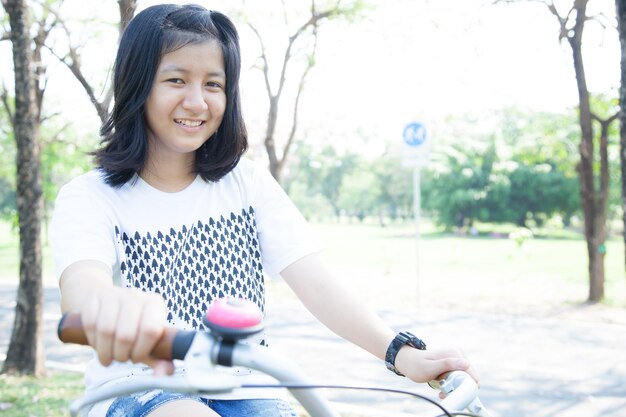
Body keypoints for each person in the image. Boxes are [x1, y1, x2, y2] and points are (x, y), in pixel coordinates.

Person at [51, 4, 477, 417]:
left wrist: (401, 353)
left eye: (213, 84)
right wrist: (106, 308)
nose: (197, 102)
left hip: (247, 386)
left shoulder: (247, 184)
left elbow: (319, 286)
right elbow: (82, 288)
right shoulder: (89, 197)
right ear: (137, 84)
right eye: (176, 79)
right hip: (141, 388)